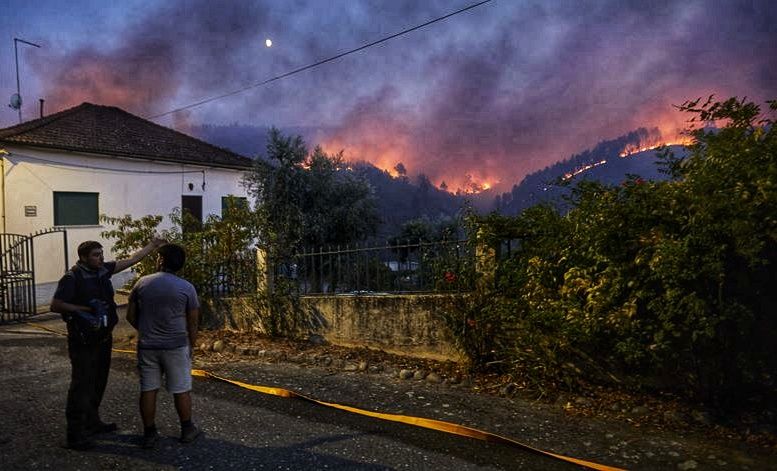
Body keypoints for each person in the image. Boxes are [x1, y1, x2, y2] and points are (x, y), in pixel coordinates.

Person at [51, 237, 164, 450]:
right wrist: (84, 310)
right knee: (81, 385)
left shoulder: (103, 270)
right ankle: (75, 434)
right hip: (82, 341)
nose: (101, 258)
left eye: (101, 254)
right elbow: (56, 305)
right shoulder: (72, 277)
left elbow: (131, 260)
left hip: (103, 338)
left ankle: (92, 422)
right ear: (83, 257)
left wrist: (152, 245)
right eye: (96, 255)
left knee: (98, 381)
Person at [126, 243, 201, 449]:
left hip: (148, 346)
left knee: (149, 389)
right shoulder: (187, 288)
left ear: (160, 260)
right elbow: (193, 322)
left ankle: (149, 434)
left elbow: (130, 315)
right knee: (181, 389)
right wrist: (191, 346)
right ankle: (187, 429)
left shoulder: (142, 283)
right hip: (176, 347)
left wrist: (145, 329)